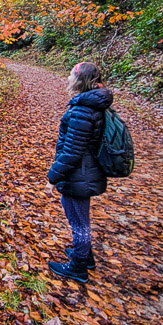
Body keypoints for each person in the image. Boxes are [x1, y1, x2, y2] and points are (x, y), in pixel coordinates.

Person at [46, 62, 112, 283]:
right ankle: (84, 256)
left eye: (70, 75)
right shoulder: (92, 104)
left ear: (80, 80)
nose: (67, 78)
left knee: (79, 222)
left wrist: (53, 177)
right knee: (77, 216)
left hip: (79, 174)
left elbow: (72, 151)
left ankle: (78, 267)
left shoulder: (83, 110)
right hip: (85, 171)